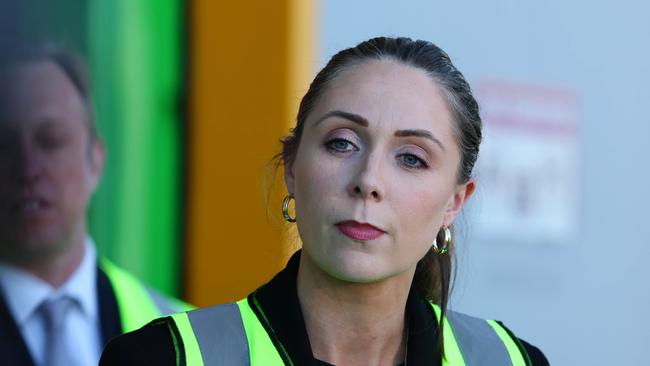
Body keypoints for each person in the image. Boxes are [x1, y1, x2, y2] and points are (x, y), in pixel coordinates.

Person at [100, 37, 549, 365]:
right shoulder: (160, 357)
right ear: (292, 167)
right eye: (342, 143)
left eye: (411, 158)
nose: (369, 181)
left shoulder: (512, 361)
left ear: (455, 202)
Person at [0, 40, 192, 366]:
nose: (28, 169)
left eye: (51, 141)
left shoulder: (184, 334)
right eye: (3, 144)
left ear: (96, 161)